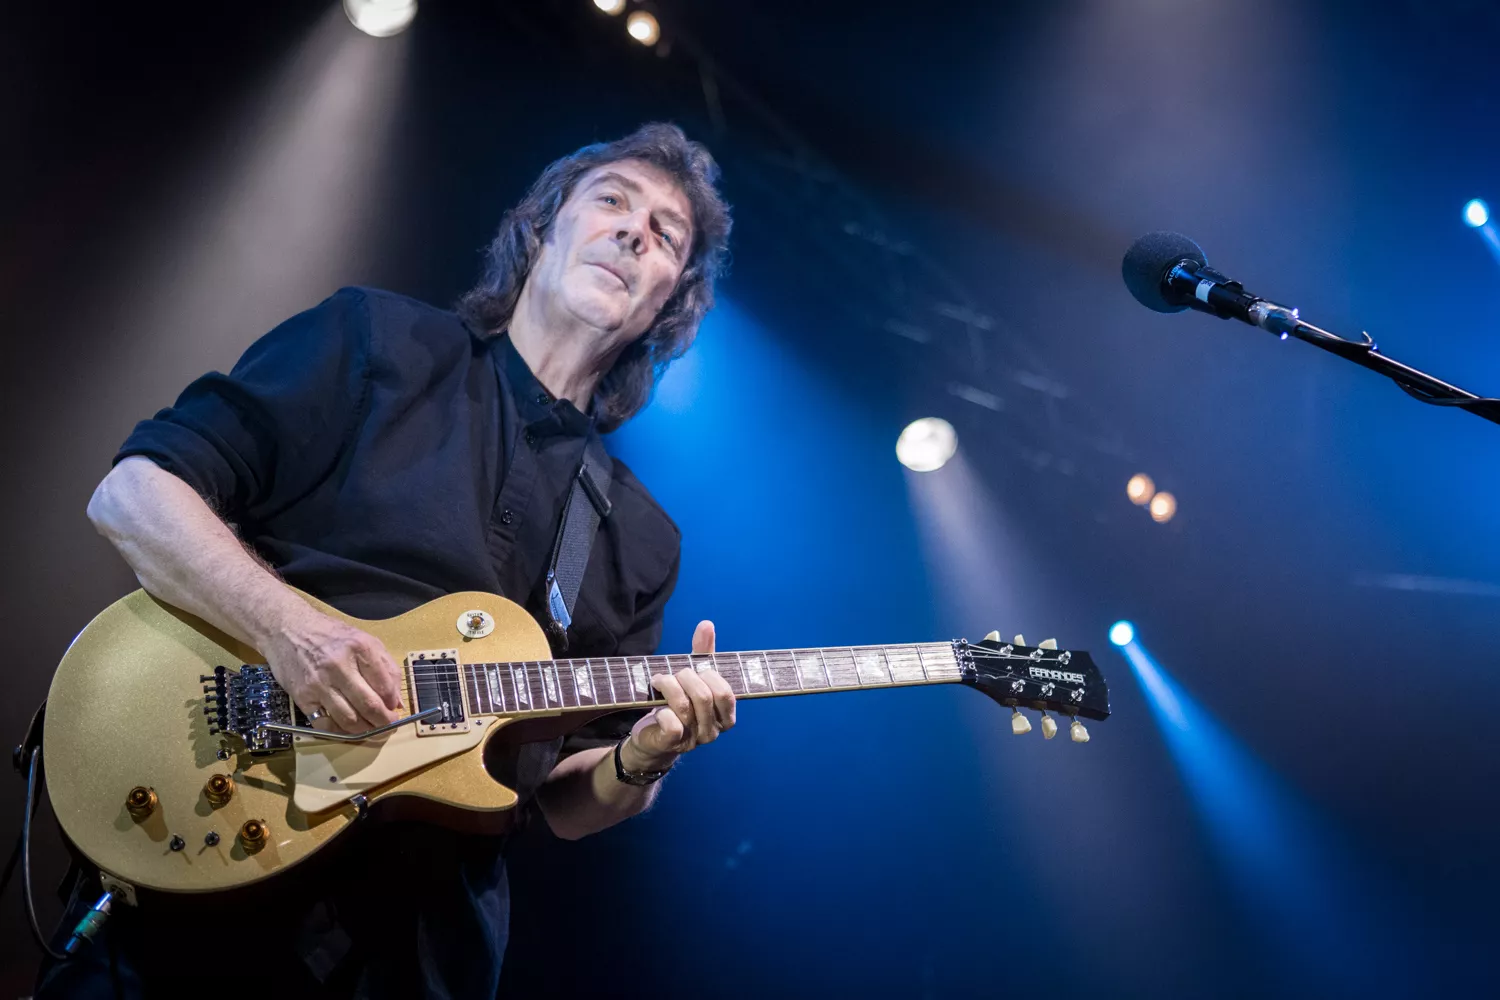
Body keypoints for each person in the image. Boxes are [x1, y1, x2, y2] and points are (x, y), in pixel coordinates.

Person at [38, 122, 735, 998]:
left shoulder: (640, 534)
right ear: (541, 227)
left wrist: (646, 757)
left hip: (418, 953)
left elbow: (566, 803)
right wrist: (290, 628)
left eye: (667, 235)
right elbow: (135, 494)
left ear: (670, 303)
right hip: (204, 881)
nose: (635, 232)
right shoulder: (375, 340)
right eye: (613, 202)